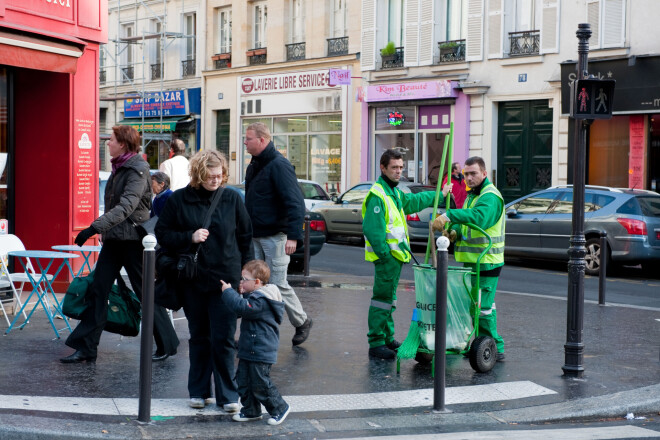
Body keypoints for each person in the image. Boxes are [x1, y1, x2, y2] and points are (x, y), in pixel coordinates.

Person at [155, 150, 253, 411]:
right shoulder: (179, 199)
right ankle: (198, 391)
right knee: (199, 336)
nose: (216, 181)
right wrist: (190, 236)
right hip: (193, 280)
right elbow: (162, 234)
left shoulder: (232, 197)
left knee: (223, 338)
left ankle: (227, 394)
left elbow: (245, 238)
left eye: (220, 176)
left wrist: (247, 276)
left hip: (226, 280)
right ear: (198, 175)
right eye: (210, 177)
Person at [61, 125, 152, 364]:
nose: (107, 143)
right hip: (114, 240)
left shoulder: (137, 169)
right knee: (98, 289)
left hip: (133, 241)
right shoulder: (118, 167)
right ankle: (87, 347)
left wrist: (94, 228)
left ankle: (166, 342)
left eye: (110, 140)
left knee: (145, 293)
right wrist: (104, 232)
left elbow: (126, 207)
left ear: (122, 144)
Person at [362, 149, 447, 360]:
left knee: (389, 300)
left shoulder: (394, 192)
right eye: (394, 168)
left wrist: (440, 194)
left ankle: (387, 338)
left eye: (401, 167)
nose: (399, 171)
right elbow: (373, 231)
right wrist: (384, 256)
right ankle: (376, 343)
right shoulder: (378, 194)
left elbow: (415, 201)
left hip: (395, 257)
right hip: (388, 258)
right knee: (382, 300)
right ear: (383, 168)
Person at [243, 122, 312, 346]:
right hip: (257, 235)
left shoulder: (279, 165)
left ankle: (302, 322)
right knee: (255, 283)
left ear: (262, 140)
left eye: (249, 138)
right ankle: (257, 329)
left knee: (277, 283)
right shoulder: (254, 165)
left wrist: (294, 236)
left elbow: (294, 202)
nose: (245, 142)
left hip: (276, 237)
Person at [432, 156, 506, 361]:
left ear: (484, 173)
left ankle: (493, 347)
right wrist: (454, 232)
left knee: (483, 308)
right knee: (478, 306)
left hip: (487, 261)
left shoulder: (490, 197)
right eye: (466, 174)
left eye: (473, 173)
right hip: (474, 261)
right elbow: (467, 224)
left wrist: (449, 216)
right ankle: (485, 346)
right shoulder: (472, 196)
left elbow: (479, 218)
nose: (469, 177)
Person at [220, 260, 291, 426]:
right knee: (244, 380)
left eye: (245, 279)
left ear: (257, 282)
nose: (241, 282)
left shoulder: (263, 300)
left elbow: (244, 308)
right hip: (249, 348)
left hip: (261, 350)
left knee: (260, 383)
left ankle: (280, 408)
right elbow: (244, 304)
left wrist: (228, 292)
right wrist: (241, 293)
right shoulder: (256, 297)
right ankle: (251, 410)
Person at [149, 171, 179, 362]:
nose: (151, 186)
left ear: (161, 184)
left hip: (166, 249)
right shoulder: (158, 198)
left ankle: (167, 344)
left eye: (152, 183)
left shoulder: (168, 198)